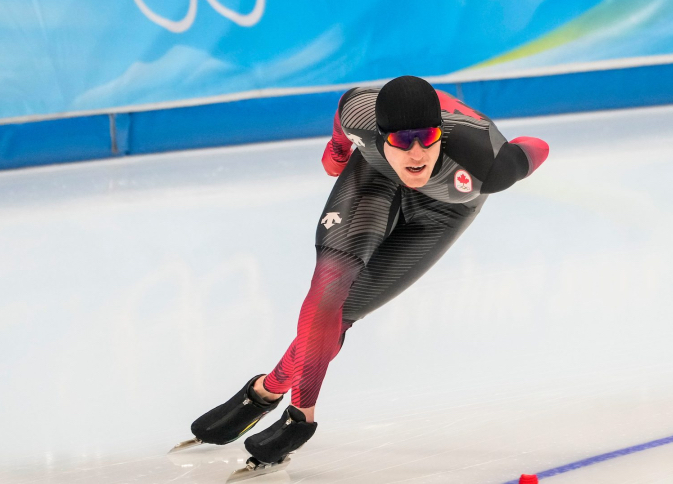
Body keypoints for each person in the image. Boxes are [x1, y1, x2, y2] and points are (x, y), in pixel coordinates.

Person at [188, 75, 549, 466]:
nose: (416, 154)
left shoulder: (487, 163)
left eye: (426, 139)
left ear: (441, 134)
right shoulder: (359, 111)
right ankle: (300, 417)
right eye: (401, 141)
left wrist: (510, 153)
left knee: (341, 315)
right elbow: (344, 113)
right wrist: (339, 152)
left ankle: (265, 391)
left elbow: (539, 147)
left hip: (446, 208)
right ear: (380, 135)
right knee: (329, 286)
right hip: (376, 177)